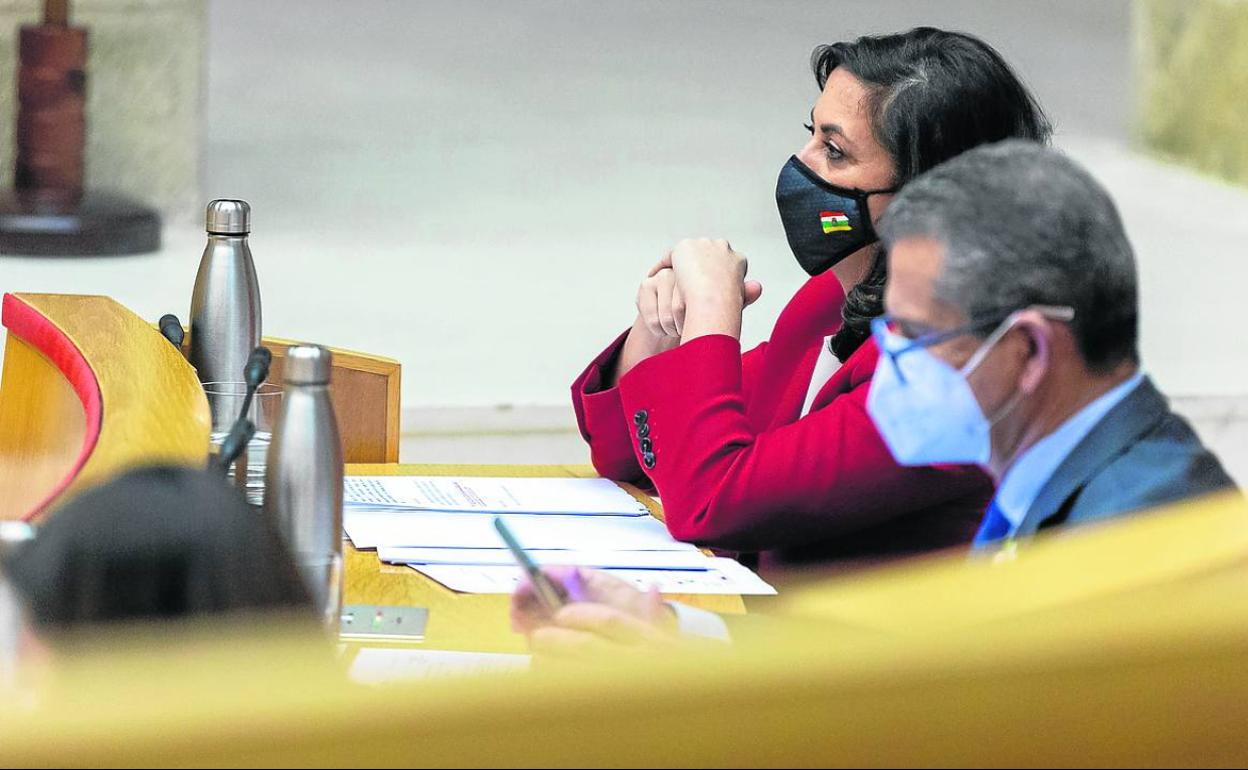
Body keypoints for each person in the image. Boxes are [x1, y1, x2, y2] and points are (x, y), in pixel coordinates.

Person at [517, 141, 1237, 654]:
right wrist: (679, 637)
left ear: (1026, 352)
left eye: (914, 335)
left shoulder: (1145, 537)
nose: (885, 362)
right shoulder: (1057, 475)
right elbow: (943, 674)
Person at [573, 27, 1052, 572]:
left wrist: (711, 320)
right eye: (810, 134)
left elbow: (712, 502)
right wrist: (658, 334)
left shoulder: (960, 374)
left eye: (833, 150)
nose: (799, 165)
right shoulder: (831, 304)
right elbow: (626, 451)